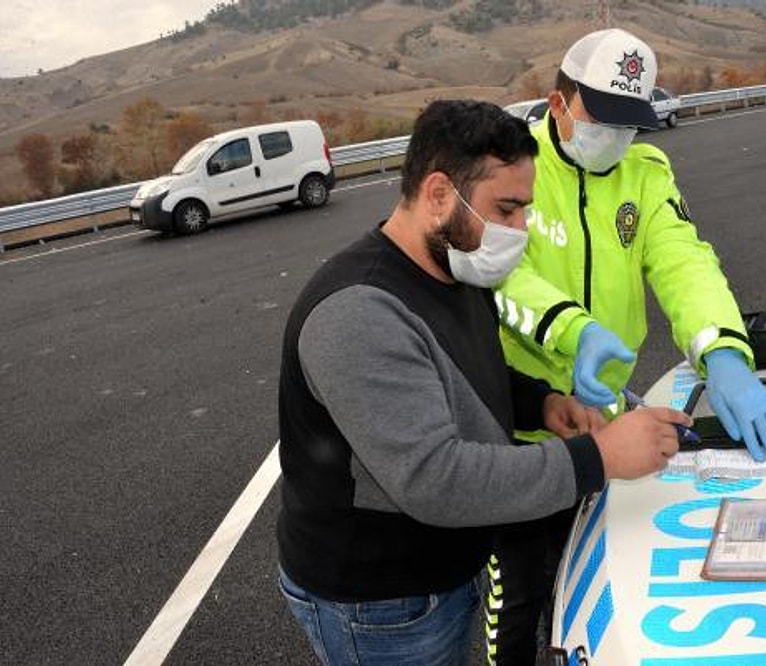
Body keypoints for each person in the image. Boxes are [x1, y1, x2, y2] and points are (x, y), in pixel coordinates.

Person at [275, 99, 694, 666]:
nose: (520, 230)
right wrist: (596, 456)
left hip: (444, 569)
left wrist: (543, 404)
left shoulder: (453, 263)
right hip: (378, 602)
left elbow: (472, 373)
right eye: (507, 209)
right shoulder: (359, 313)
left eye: (525, 210)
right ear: (440, 194)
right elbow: (435, 478)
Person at [487, 29, 766, 665]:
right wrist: (573, 329)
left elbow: (685, 264)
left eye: (631, 122)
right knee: (517, 601)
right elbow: (499, 273)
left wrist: (726, 356)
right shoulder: (513, 169)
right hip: (521, 421)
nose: (618, 138)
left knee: (603, 584)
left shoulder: (644, 173)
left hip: (605, 420)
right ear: (559, 104)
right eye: (604, 119)